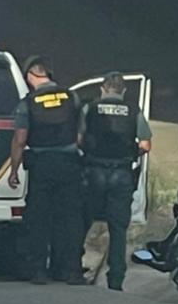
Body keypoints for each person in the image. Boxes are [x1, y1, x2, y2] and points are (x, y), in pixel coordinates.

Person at [8, 56, 85, 285]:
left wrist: (14, 169)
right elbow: (80, 134)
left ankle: (39, 270)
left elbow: (20, 139)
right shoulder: (72, 97)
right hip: (69, 164)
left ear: (31, 75)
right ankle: (70, 270)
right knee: (70, 219)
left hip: (42, 164)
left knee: (39, 219)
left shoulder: (28, 102)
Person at [79, 71, 152, 291]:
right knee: (118, 229)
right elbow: (146, 145)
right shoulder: (133, 110)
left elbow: (79, 138)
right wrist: (130, 154)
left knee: (83, 221)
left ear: (102, 89)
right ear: (124, 90)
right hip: (121, 173)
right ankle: (116, 278)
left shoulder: (90, 108)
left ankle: (73, 266)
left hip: (94, 172)